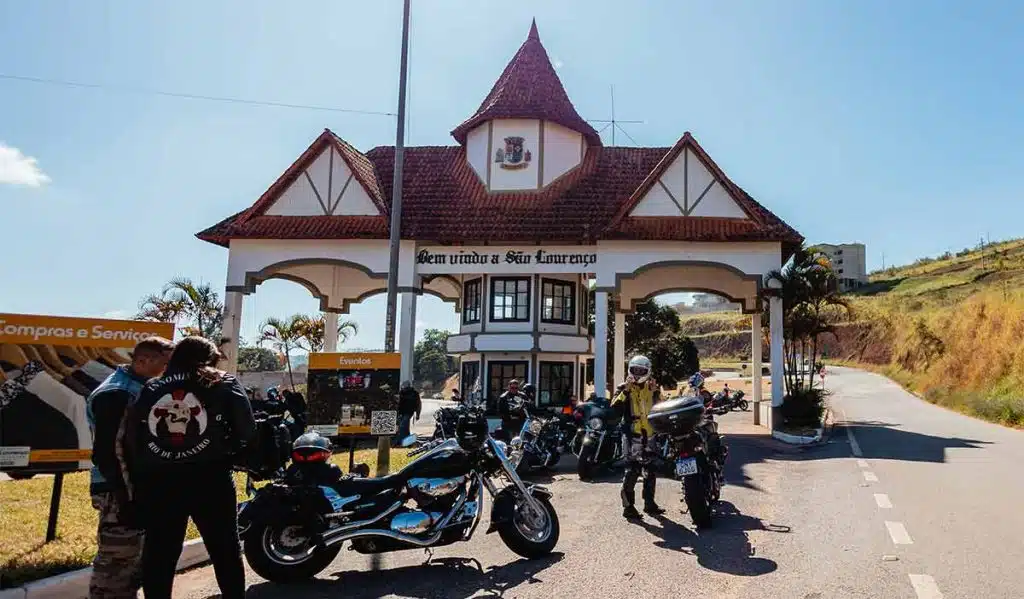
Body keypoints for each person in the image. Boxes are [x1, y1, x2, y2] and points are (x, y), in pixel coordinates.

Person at [127, 336, 255, 599]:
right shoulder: (222, 382)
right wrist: (227, 451)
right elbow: (247, 430)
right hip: (211, 477)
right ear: (209, 358)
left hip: (160, 479)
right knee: (225, 550)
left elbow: (133, 437)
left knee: (160, 553)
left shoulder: (152, 387)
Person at [86, 336, 174, 599]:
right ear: (145, 360)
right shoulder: (117, 394)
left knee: (130, 564)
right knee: (116, 565)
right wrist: (127, 499)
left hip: (131, 489)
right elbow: (109, 453)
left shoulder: (138, 388)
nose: (168, 370)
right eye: (166, 363)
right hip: (119, 491)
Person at [612, 355, 664, 521]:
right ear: (630, 369)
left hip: (649, 433)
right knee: (632, 470)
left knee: (651, 469)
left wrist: (656, 392)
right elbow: (614, 409)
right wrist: (625, 391)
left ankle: (650, 503)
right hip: (631, 434)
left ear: (648, 371)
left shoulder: (652, 387)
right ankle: (628, 507)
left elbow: (661, 407)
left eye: (642, 370)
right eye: (635, 370)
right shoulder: (623, 387)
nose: (638, 373)